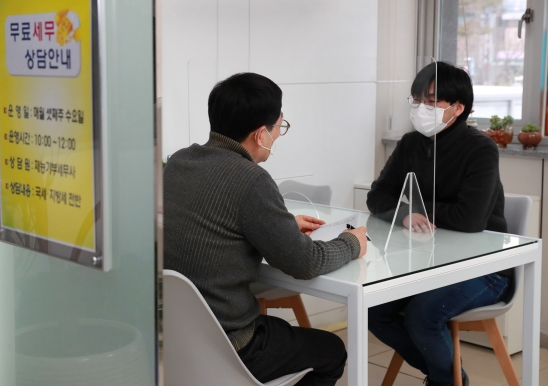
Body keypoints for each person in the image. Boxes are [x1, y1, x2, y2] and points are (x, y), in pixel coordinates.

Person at [164, 72, 368, 385]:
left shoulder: (179, 162)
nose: (277, 136)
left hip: (175, 340)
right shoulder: (252, 179)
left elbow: (214, 226)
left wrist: (281, 227)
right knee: (332, 351)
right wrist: (351, 243)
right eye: (278, 128)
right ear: (261, 135)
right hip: (231, 346)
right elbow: (306, 262)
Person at [367, 61, 511, 386]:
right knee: (373, 309)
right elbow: (377, 196)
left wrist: (418, 208)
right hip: (427, 263)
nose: (421, 109)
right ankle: (449, 376)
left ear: (459, 108)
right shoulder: (410, 144)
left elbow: (469, 219)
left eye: (432, 102)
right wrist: (405, 215)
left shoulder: (481, 148)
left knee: (423, 315)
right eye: (417, 100)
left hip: (484, 267)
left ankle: (444, 380)